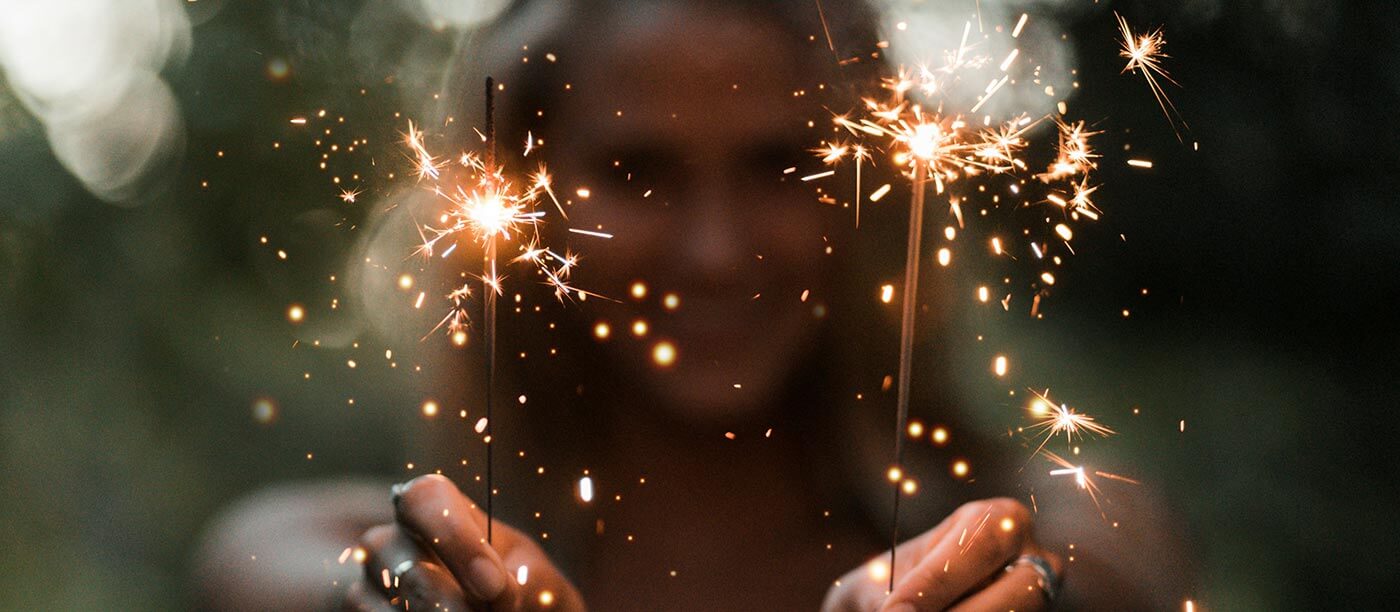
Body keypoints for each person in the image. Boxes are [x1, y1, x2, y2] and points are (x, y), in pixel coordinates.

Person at [197, 1, 1192, 609]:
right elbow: (257, 562)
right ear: (516, 195)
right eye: (635, 171)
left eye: (781, 164)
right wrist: (382, 595)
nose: (714, 252)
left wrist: (1036, 588)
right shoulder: (427, 556)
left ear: (873, 194)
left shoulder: (1026, 526)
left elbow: (1108, 550)